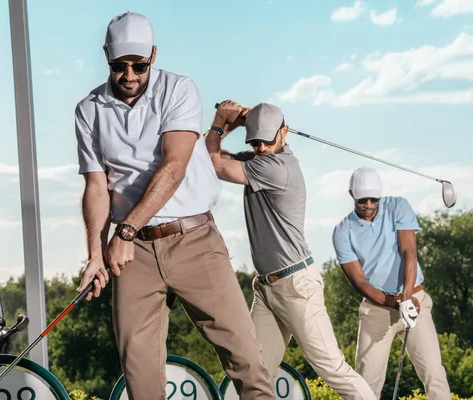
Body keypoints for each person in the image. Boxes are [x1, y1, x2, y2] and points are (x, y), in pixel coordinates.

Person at [74, 12, 275, 400]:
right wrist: (94, 256)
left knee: (246, 359)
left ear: (153, 55)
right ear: (106, 57)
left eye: (139, 65)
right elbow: (96, 187)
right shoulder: (89, 110)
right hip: (134, 256)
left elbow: (174, 166)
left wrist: (125, 231)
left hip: (194, 240)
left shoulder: (178, 89)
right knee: (140, 377)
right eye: (119, 66)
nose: (129, 74)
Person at [205, 101, 376, 400]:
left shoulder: (277, 168)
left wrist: (221, 123)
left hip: (297, 286)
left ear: (284, 132)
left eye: (267, 140)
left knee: (332, 367)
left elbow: (213, 164)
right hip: (267, 289)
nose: (261, 148)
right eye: (255, 142)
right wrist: (243, 125)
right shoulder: (261, 159)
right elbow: (217, 157)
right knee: (254, 372)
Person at [332, 167, 451, 399]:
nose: (368, 204)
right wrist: (397, 304)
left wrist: (406, 299)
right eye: (362, 200)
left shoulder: (398, 206)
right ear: (351, 195)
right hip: (376, 310)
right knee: (365, 384)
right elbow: (359, 282)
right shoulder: (342, 231)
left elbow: (409, 251)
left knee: (434, 374)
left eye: (373, 199)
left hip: (415, 301)